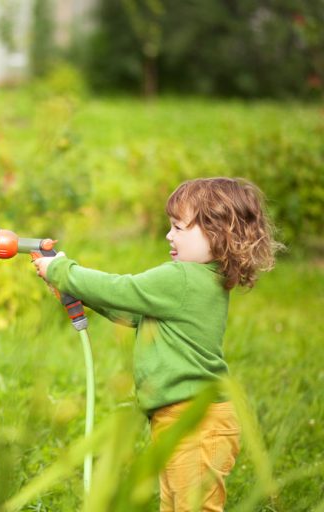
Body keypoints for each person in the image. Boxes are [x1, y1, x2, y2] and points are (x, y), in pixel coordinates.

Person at [33, 177, 280, 511]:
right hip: (181, 419)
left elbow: (121, 290)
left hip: (195, 422)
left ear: (217, 233)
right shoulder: (202, 281)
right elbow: (131, 310)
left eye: (179, 227)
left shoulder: (181, 279)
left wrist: (62, 270)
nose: (169, 235)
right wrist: (76, 288)